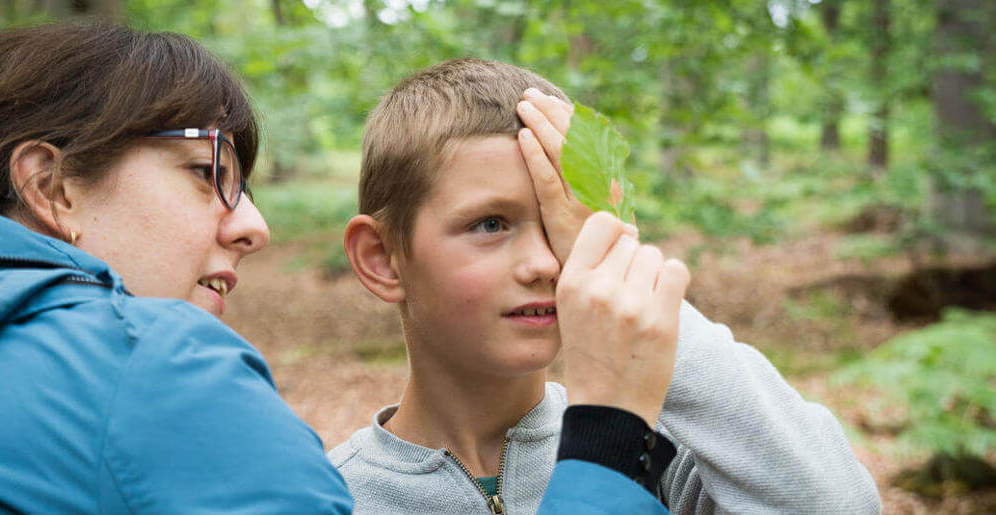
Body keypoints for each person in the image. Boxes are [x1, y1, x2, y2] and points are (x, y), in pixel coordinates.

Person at [0, 23, 682, 513]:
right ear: (50, 184)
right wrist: (610, 426)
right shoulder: (151, 365)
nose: (252, 224)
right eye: (208, 171)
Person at [330, 58, 882, 514]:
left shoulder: (658, 456)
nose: (547, 263)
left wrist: (640, 304)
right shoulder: (333, 497)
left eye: (565, 226)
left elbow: (838, 503)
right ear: (382, 259)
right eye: (491, 224)